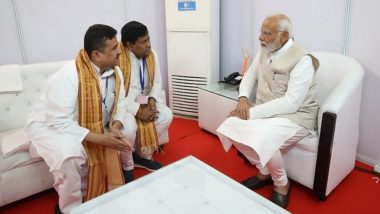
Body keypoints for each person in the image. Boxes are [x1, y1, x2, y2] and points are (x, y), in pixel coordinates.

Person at [24, 24, 137, 214]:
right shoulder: (69, 75)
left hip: (80, 123)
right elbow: (58, 121)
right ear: (96, 55)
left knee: (127, 128)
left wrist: (116, 126)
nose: (120, 51)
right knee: (70, 154)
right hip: (49, 125)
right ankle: (69, 208)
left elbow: (122, 103)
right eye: (114, 48)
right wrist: (102, 139)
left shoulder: (115, 71)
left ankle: (124, 173)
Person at [216, 14, 320, 208]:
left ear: (284, 35)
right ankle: (264, 170)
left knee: (262, 136)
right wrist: (243, 100)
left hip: (296, 116)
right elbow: (249, 77)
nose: (260, 37)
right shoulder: (265, 49)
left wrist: (250, 114)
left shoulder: (303, 59)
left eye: (267, 33)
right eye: (261, 32)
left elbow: (291, 103)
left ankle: (282, 184)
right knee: (229, 126)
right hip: (264, 110)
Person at [118, 21, 173, 171]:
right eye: (143, 42)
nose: (149, 45)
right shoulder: (118, 60)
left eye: (149, 39)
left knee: (166, 115)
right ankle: (127, 162)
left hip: (143, 98)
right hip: (124, 103)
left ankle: (142, 156)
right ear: (129, 45)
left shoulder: (151, 54)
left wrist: (152, 99)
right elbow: (117, 98)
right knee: (129, 128)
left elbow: (157, 82)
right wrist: (138, 110)